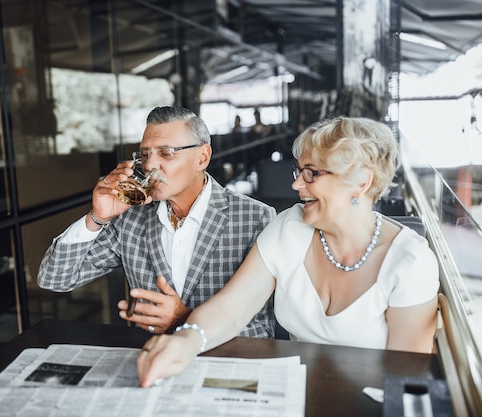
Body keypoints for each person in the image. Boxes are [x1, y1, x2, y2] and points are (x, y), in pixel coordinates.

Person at [136, 116, 440, 387]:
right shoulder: (289, 227)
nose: (296, 184)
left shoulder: (410, 263)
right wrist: (188, 340)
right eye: (299, 170)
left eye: (312, 173)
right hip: (294, 391)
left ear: (361, 183)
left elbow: (405, 376)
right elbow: (231, 307)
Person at [37, 106, 277, 338]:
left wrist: (185, 320)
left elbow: (261, 332)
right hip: (151, 365)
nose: (150, 165)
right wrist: (97, 218)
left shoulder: (255, 219)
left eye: (166, 153)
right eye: (144, 154)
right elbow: (55, 279)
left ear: (202, 158)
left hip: (222, 368)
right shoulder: (130, 219)